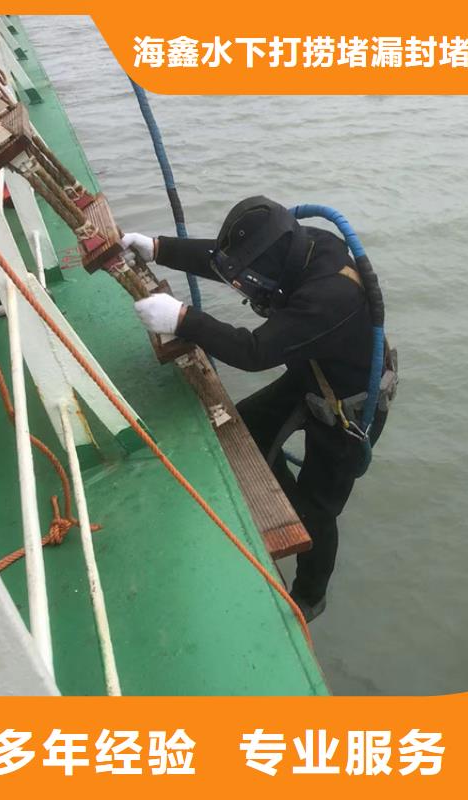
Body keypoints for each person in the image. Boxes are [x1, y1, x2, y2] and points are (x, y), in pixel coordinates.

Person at [122, 196, 393, 622]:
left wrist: (185, 319)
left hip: (348, 413)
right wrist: (159, 248)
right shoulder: (304, 246)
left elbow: (255, 352)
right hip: (313, 374)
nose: (243, 287)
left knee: (318, 510)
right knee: (245, 427)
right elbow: (226, 260)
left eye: (248, 282)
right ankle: (274, 496)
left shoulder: (330, 296)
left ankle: (310, 595)